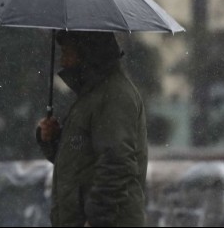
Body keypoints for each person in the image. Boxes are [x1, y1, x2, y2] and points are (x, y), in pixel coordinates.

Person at [36, 30, 148, 227]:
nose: (62, 62)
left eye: (67, 52)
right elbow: (80, 162)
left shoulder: (113, 96)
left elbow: (117, 164)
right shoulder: (93, 95)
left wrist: (97, 220)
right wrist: (52, 140)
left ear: (87, 52)